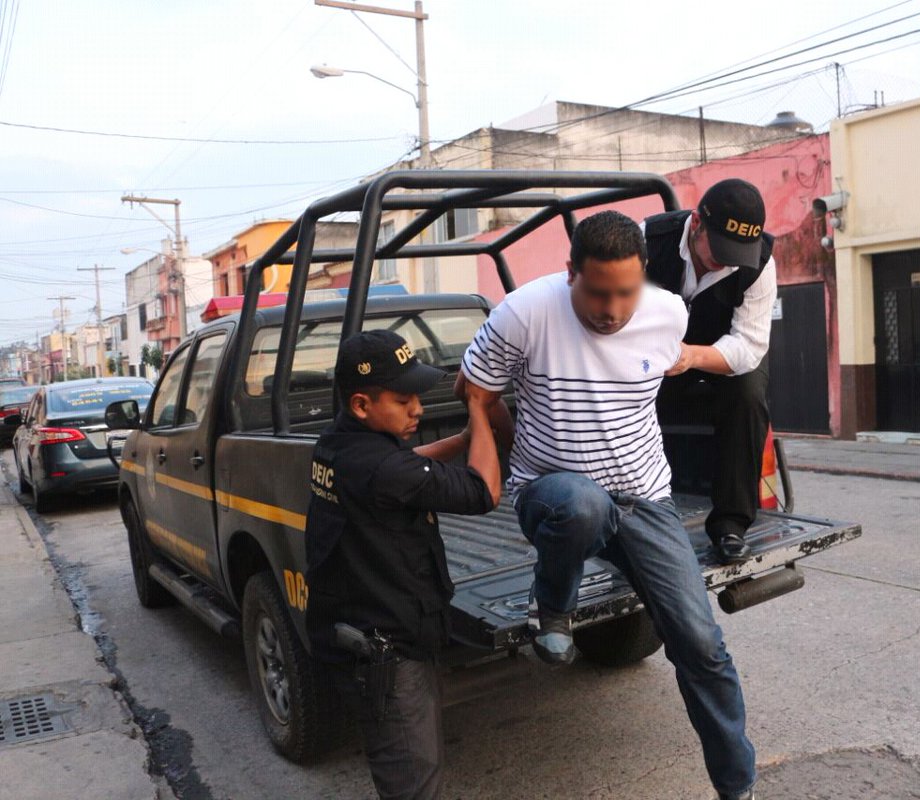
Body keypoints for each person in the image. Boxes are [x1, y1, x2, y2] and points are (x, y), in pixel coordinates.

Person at [456, 211, 757, 800]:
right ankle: (553, 608)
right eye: (597, 291)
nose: (612, 308)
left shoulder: (669, 312)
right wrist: (511, 445)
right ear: (570, 272)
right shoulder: (524, 312)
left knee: (702, 645)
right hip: (552, 493)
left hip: (645, 495)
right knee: (583, 503)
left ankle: (738, 786)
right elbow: (475, 389)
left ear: (643, 275)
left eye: (625, 291)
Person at [304, 329, 501, 800]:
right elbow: (484, 491)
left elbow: (405, 465)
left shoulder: (335, 445)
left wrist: (460, 438)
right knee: (414, 784)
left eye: (417, 395)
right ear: (360, 404)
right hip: (389, 658)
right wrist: (478, 409)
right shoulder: (382, 468)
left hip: (365, 637)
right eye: (402, 399)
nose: (417, 409)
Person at [642, 178, 778, 565]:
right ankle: (628, 513)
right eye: (720, 249)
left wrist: (691, 357)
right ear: (697, 223)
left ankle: (731, 525)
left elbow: (749, 346)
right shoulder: (647, 240)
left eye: (738, 253)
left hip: (716, 357)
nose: (728, 260)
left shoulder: (761, 263)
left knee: (750, 394)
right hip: (650, 356)